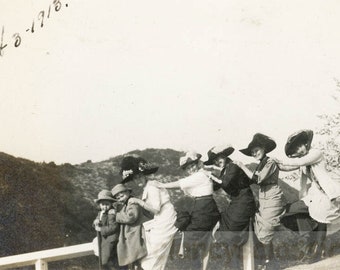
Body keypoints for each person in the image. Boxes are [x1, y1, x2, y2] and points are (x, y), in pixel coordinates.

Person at [274, 129, 340, 262]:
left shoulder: (316, 153)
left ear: (305, 143)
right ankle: (311, 243)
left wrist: (279, 160)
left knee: (323, 219)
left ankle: (317, 250)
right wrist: (273, 164)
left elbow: (297, 162)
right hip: (314, 194)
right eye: (296, 149)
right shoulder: (303, 161)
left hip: (328, 192)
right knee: (290, 211)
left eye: (300, 145)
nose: (299, 150)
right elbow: (288, 167)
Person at [155, 151, 221, 270]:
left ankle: (196, 267)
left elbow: (179, 184)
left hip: (203, 208)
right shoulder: (201, 175)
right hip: (204, 208)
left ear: (197, 164)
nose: (191, 169)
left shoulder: (200, 175)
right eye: (188, 168)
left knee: (192, 237)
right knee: (204, 241)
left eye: (192, 165)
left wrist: (161, 185)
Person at [234, 133, 286, 270]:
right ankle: (271, 261)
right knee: (261, 228)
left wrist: (242, 166)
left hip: (273, 196)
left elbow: (258, 179)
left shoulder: (269, 162)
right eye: (252, 152)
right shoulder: (261, 164)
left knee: (266, 228)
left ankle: (271, 262)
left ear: (263, 148)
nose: (254, 153)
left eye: (256, 150)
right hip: (264, 197)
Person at [119, 156, 177, 270]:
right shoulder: (147, 187)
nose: (137, 180)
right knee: (149, 249)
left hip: (165, 217)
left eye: (139, 176)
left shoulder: (152, 186)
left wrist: (138, 201)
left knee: (154, 251)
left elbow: (156, 209)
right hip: (159, 218)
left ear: (144, 175)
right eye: (134, 178)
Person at [203, 145, 256, 268]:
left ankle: (236, 264)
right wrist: (204, 177)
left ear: (225, 156)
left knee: (231, 228)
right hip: (237, 202)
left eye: (219, 157)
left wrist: (211, 175)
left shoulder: (233, 166)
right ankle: (234, 264)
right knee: (225, 226)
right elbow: (216, 187)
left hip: (245, 201)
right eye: (215, 160)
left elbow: (225, 183)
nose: (217, 161)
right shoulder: (225, 169)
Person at [111, 183, 148, 270]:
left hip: (134, 233)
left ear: (127, 191)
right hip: (131, 233)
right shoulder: (126, 204)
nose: (119, 196)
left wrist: (116, 215)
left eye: (121, 193)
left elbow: (130, 217)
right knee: (133, 257)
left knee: (136, 255)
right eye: (117, 196)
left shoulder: (132, 203)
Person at [93, 189, 121, 270]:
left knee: (107, 259)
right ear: (99, 205)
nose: (104, 207)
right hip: (104, 239)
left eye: (107, 204)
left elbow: (113, 227)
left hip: (110, 239)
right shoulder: (100, 213)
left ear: (111, 204)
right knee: (102, 257)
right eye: (102, 204)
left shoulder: (111, 214)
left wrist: (101, 229)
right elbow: (97, 221)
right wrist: (96, 221)